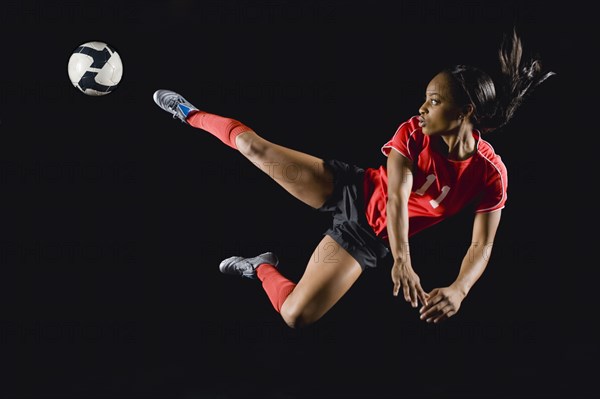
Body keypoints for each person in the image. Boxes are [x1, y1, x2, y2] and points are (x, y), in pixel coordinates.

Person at [152, 30, 554, 328]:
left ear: (465, 110)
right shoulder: (412, 133)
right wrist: (403, 260)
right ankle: (189, 113)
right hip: (351, 189)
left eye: (434, 101)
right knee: (255, 148)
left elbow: (481, 244)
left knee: (296, 315)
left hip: (366, 238)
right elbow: (396, 198)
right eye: (425, 97)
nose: (422, 108)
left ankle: (259, 267)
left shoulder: (490, 174)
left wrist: (460, 289)